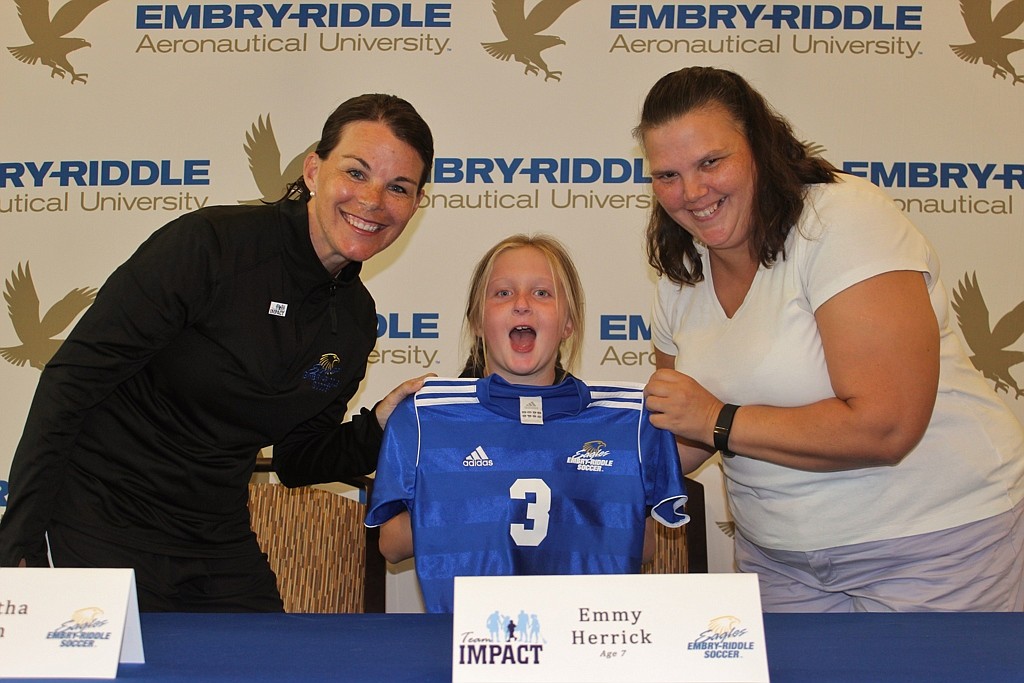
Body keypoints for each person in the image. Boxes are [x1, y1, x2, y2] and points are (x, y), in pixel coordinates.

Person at [0, 93, 435, 612]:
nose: (373, 200)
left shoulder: (356, 320)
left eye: (399, 187)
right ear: (314, 170)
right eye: (357, 173)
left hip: (215, 537)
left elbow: (299, 459)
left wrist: (381, 426)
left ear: (415, 203)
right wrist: (17, 538)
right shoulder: (209, 246)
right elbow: (70, 382)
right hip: (99, 521)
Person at [636, 66, 1024, 612]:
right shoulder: (681, 277)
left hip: (933, 545)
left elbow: (886, 426)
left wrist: (717, 419)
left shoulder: (841, 220)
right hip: (778, 559)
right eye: (667, 175)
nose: (691, 192)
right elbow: (683, 434)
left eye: (710, 162)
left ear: (758, 145)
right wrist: (568, 466)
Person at [365, 234, 688, 613]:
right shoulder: (424, 418)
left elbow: (645, 545)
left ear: (568, 323)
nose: (521, 304)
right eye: (502, 293)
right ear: (477, 321)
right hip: (468, 644)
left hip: (585, 643)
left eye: (542, 293)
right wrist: (483, 500)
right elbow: (391, 543)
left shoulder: (629, 421)